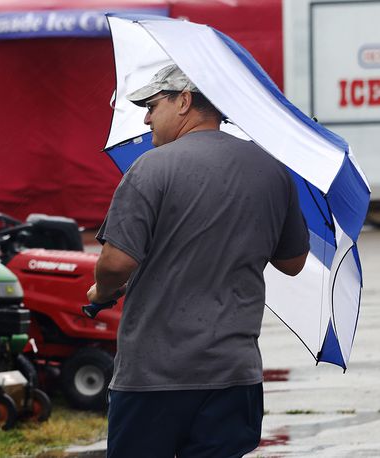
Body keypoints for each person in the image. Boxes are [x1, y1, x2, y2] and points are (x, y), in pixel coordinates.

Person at [87, 64, 310, 457]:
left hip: (154, 376)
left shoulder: (151, 168)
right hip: (234, 375)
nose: (146, 117)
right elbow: (292, 262)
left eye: (153, 105)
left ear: (185, 101)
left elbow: (117, 262)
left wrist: (102, 289)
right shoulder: (272, 170)